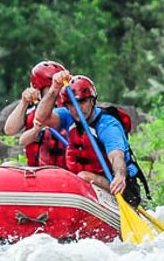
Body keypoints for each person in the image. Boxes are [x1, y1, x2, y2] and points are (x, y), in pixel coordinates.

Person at [34, 72, 147, 207]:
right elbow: (41, 118)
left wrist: (120, 176)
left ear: (92, 101)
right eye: (71, 104)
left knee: (83, 176)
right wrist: (54, 88)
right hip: (87, 187)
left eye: (82, 101)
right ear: (67, 106)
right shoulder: (68, 117)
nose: (77, 108)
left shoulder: (107, 125)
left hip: (120, 187)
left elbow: (116, 156)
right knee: (60, 175)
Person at [2, 61, 68, 167]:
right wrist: (24, 102)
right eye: (50, 89)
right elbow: (10, 130)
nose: (55, 93)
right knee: (8, 165)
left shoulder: (68, 112)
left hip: (64, 174)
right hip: (35, 172)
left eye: (58, 88)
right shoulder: (31, 112)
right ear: (38, 90)